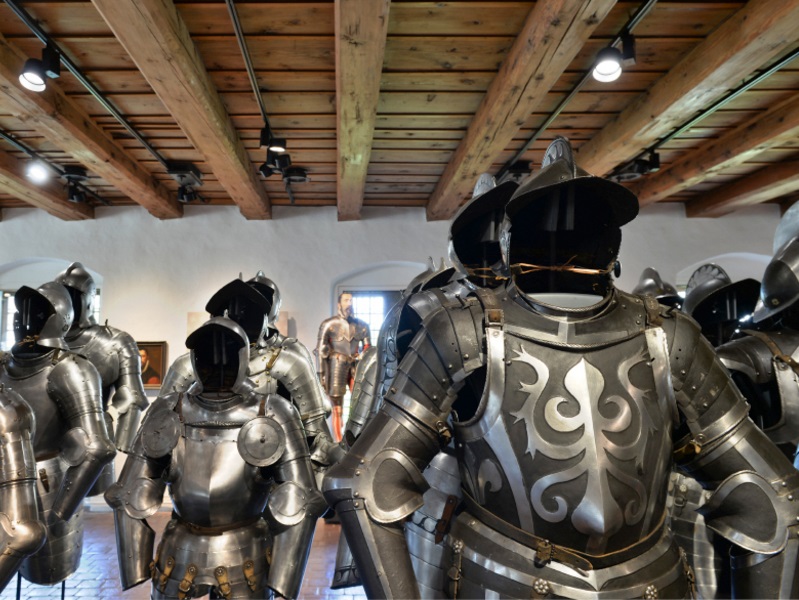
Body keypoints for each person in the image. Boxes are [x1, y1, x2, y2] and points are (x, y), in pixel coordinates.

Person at [323, 137, 799, 599]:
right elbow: (366, 479)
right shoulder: (463, 328)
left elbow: (772, 495)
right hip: (504, 579)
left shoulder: (668, 335)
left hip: (647, 583)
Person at [106, 317, 325, 599]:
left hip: (247, 551)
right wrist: (135, 566)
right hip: (179, 549)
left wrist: (284, 579)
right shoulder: (168, 409)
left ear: (242, 358)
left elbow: (302, 500)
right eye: (207, 354)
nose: (218, 364)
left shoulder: (274, 411)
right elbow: (127, 493)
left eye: (227, 355)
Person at [160, 273, 339, 477]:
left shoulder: (289, 363)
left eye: (249, 313)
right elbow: (158, 428)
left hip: (271, 475)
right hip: (198, 472)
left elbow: (317, 440)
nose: (239, 319)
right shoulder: (186, 366)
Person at [0, 282, 115, 585]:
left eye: (38, 313)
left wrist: (61, 511)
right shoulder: (3, 364)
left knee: (45, 572)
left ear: (58, 318)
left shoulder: (70, 368)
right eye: (24, 313)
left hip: (46, 483)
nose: (26, 321)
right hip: (4, 474)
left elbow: (97, 447)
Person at [54, 262, 150, 494]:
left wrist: (121, 443)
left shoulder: (115, 342)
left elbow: (132, 397)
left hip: (94, 438)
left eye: (73, 295)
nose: (68, 301)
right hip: (47, 439)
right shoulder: (47, 341)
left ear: (87, 299)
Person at [315, 292, 371, 441]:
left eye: (351, 300)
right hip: (336, 365)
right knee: (337, 409)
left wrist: (362, 357)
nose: (349, 303)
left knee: (359, 404)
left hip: (356, 365)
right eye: (346, 300)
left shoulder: (362, 326)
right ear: (339, 304)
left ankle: (355, 439)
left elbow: (368, 349)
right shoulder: (329, 324)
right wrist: (321, 375)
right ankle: (339, 441)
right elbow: (320, 351)